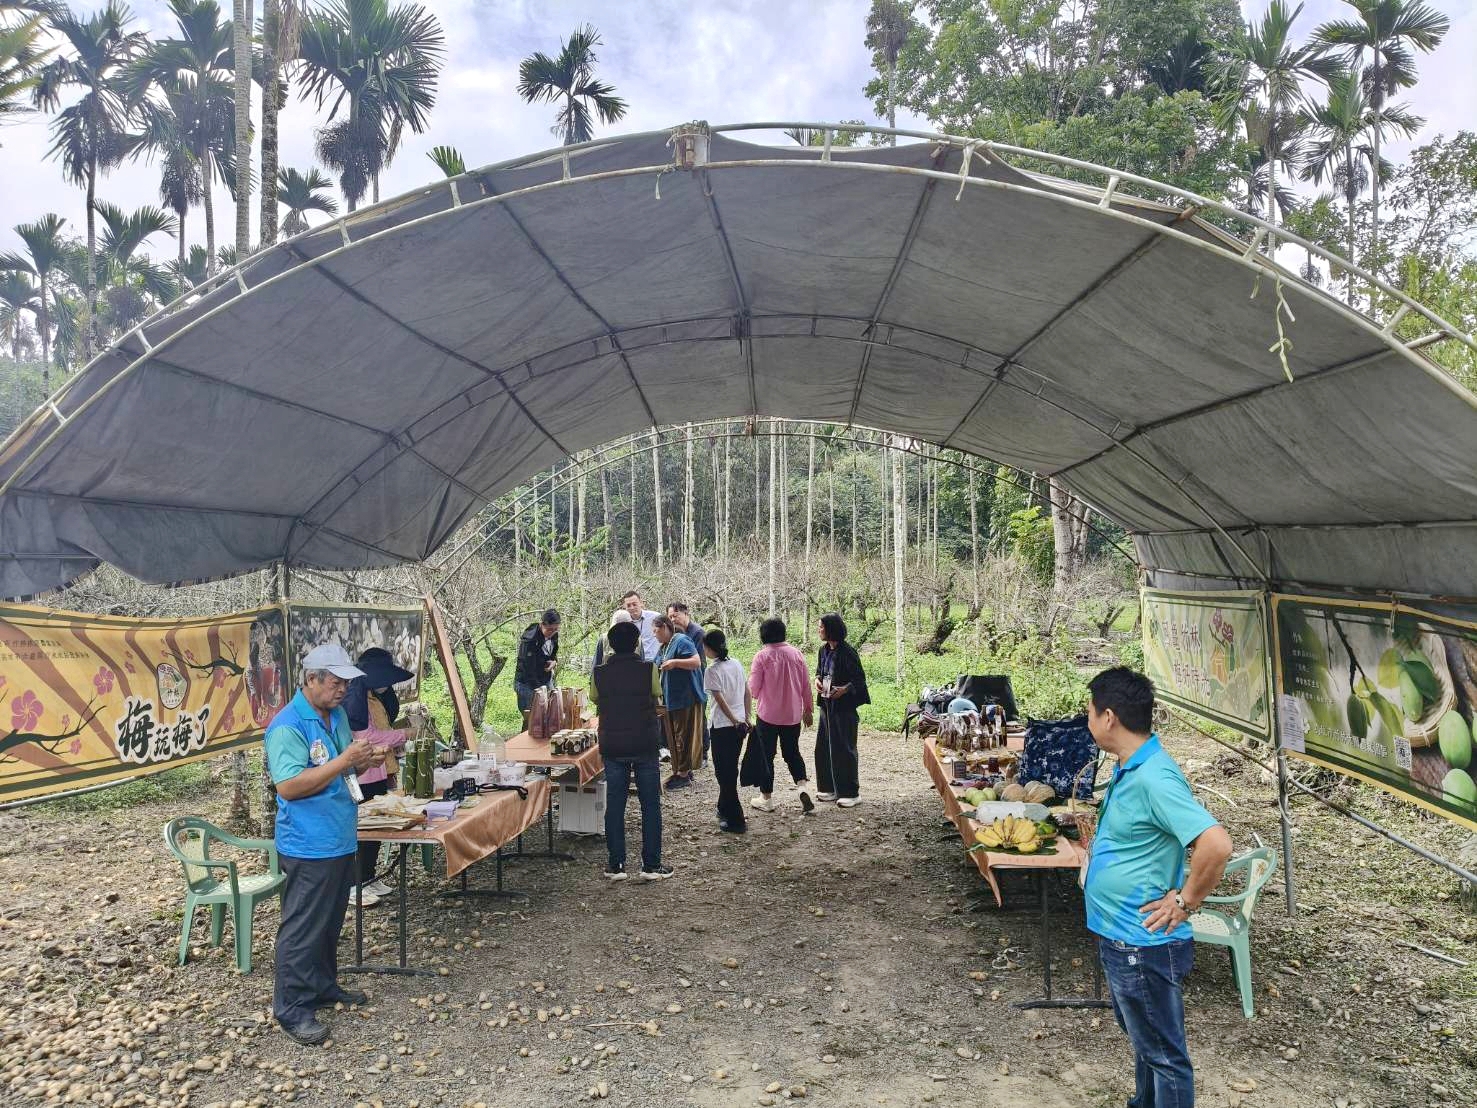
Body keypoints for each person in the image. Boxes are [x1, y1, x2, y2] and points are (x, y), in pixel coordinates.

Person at [1084, 667, 1233, 1108]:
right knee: (1146, 1042)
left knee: (1164, 1055)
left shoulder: (1155, 777)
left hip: (1142, 941)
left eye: (1089, 712)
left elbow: (1216, 844)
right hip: (1122, 934)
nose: (1087, 720)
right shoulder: (1135, 765)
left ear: (1108, 717)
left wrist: (1186, 901)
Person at [263, 644, 380, 1046]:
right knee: (301, 926)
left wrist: (362, 760)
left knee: (329, 922)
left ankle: (324, 985)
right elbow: (290, 785)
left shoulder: (337, 716)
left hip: (339, 836)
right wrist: (345, 760)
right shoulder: (288, 725)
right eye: (335, 682)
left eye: (346, 683)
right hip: (307, 843)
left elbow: (344, 766)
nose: (342, 690)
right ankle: (292, 1007)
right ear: (311, 679)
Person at [590, 620, 673, 880]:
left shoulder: (599, 672)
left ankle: (616, 865)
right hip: (644, 742)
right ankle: (651, 865)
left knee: (615, 804)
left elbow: (595, 698)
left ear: (610, 645)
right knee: (650, 804)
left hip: (613, 744)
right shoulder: (648, 669)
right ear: (637, 643)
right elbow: (657, 694)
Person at [341, 646, 414, 907]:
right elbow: (366, 737)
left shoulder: (371, 695)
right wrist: (405, 735)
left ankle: (369, 877)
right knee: (361, 829)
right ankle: (353, 884)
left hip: (378, 768)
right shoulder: (354, 696)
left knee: (377, 825)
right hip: (358, 773)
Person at [746, 617, 814, 813]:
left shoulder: (762, 656)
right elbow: (805, 685)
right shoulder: (796, 654)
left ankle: (766, 798)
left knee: (766, 755)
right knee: (792, 753)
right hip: (792, 715)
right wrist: (808, 710)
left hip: (768, 716)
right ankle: (802, 786)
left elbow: (754, 690)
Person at [814, 613, 870, 808]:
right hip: (826, 705)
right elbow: (819, 672)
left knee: (844, 749)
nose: (818, 630)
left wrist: (844, 690)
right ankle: (829, 788)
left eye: (821, 627)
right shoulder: (823, 651)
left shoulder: (848, 653)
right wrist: (817, 681)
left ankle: (850, 792)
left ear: (830, 629)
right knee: (824, 747)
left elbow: (859, 681)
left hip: (844, 708)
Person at [702, 628, 750, 832]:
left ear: (710, 649)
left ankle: (736, 819)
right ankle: (723, 807)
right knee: (730, 768)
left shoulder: (712, 671)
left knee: (724, 773)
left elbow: (720, 701)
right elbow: (747, 692)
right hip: (739, 725)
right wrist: (746, 718)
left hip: (723, 726)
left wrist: (734, 720)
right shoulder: (736, 663)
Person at [654, 614, 704, 789]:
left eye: (656, 631)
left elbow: (696, 662)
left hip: (685, 696)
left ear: (666, 627)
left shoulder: (682, 640)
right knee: (674, 736)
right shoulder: (663, 647)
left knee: (682, 735)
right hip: (670, 697)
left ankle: (683, 774)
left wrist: (675, 663)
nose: (655, 635)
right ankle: (681, 769)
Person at [667, 601, 708, 763]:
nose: (673, 619)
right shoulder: (676, 633)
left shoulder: (697, 632)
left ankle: (703, 752)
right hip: (683, 681)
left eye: (675, 616)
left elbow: (698, 660)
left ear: (686, 613)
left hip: (697, 678)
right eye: (670, 617)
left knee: (699, 717)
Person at [514, 608, 560, 715]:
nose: (552, 632)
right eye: (549, 629)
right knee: (532, 718)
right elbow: (527, 668)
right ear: (541, 624)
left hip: (545, 679)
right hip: (527, 683)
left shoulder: (553, 634)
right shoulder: (530, 639)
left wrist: (554, 662)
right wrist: (540, 690)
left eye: (555, 629)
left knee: (550, 714)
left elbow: (552, 654)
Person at [621, 590, 662, 662]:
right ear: (624, 607)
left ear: (641, 603)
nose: (632, 608)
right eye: (628, 605)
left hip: (654, 661)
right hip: (633, 663)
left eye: (634, 604)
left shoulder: (655, 617)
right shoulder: (624, 623)